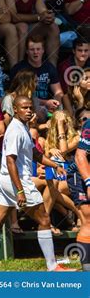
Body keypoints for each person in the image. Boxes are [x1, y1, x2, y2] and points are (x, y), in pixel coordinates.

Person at [0, 96, 76, 272]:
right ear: (15, 109)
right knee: (44, 219)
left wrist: (55, 165)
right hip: (17, 180)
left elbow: (35, 154)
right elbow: (11, 161)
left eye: (30, 108)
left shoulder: (23, 127)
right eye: (24, 108)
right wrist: (20, 190)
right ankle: (52, 267)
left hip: (5, 181)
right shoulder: (14, 130)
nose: (29, 111)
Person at [3, 0, 60, 66]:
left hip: (28, 28)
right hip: (14, 29)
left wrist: (48, 16)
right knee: (22, 26)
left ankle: (52, 68)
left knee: (53, 26)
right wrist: (39, 17)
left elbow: (42, 11)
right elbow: (14, 17)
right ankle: (18, 67)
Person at [10, 34, 64, 111]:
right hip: (27, 107)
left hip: (48, 106)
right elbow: (18, 95)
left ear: (43, 50)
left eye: (38, 49)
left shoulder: (49, 67)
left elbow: (58, 91)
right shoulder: (19, 69)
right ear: (27, 51)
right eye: (32, 49)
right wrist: (46, 103)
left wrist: (57, 103)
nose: (35, 52)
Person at [73, 108, 90, 271]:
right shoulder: (89, 125)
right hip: (82, 173)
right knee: (88, 219)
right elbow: (80, 156)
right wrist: (89, 182)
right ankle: (87, 271)